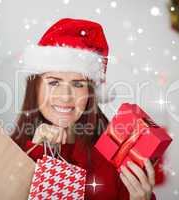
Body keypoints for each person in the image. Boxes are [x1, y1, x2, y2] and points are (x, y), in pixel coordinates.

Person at [11, 18, 156, 200]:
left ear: (90, 92)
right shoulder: (9, 151)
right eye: (54, 82)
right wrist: (35, 152)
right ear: (36, 87)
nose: (65, 96)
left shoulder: (115, 157)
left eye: (78, 84)